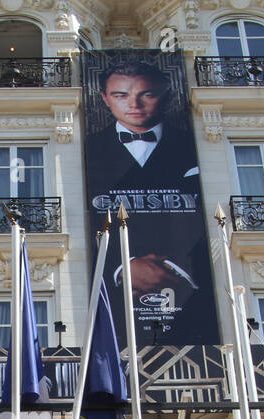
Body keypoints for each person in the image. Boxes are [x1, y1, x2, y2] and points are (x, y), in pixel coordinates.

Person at [84, 60, 202, 299]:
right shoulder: (87, 148)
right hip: (111, 297)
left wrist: (177, 267)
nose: (134, 104)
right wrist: (122, 268)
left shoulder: (193, 144)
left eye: (146, 94)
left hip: (192, 286)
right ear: (105, 98)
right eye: (120, 95)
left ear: (165, 95)